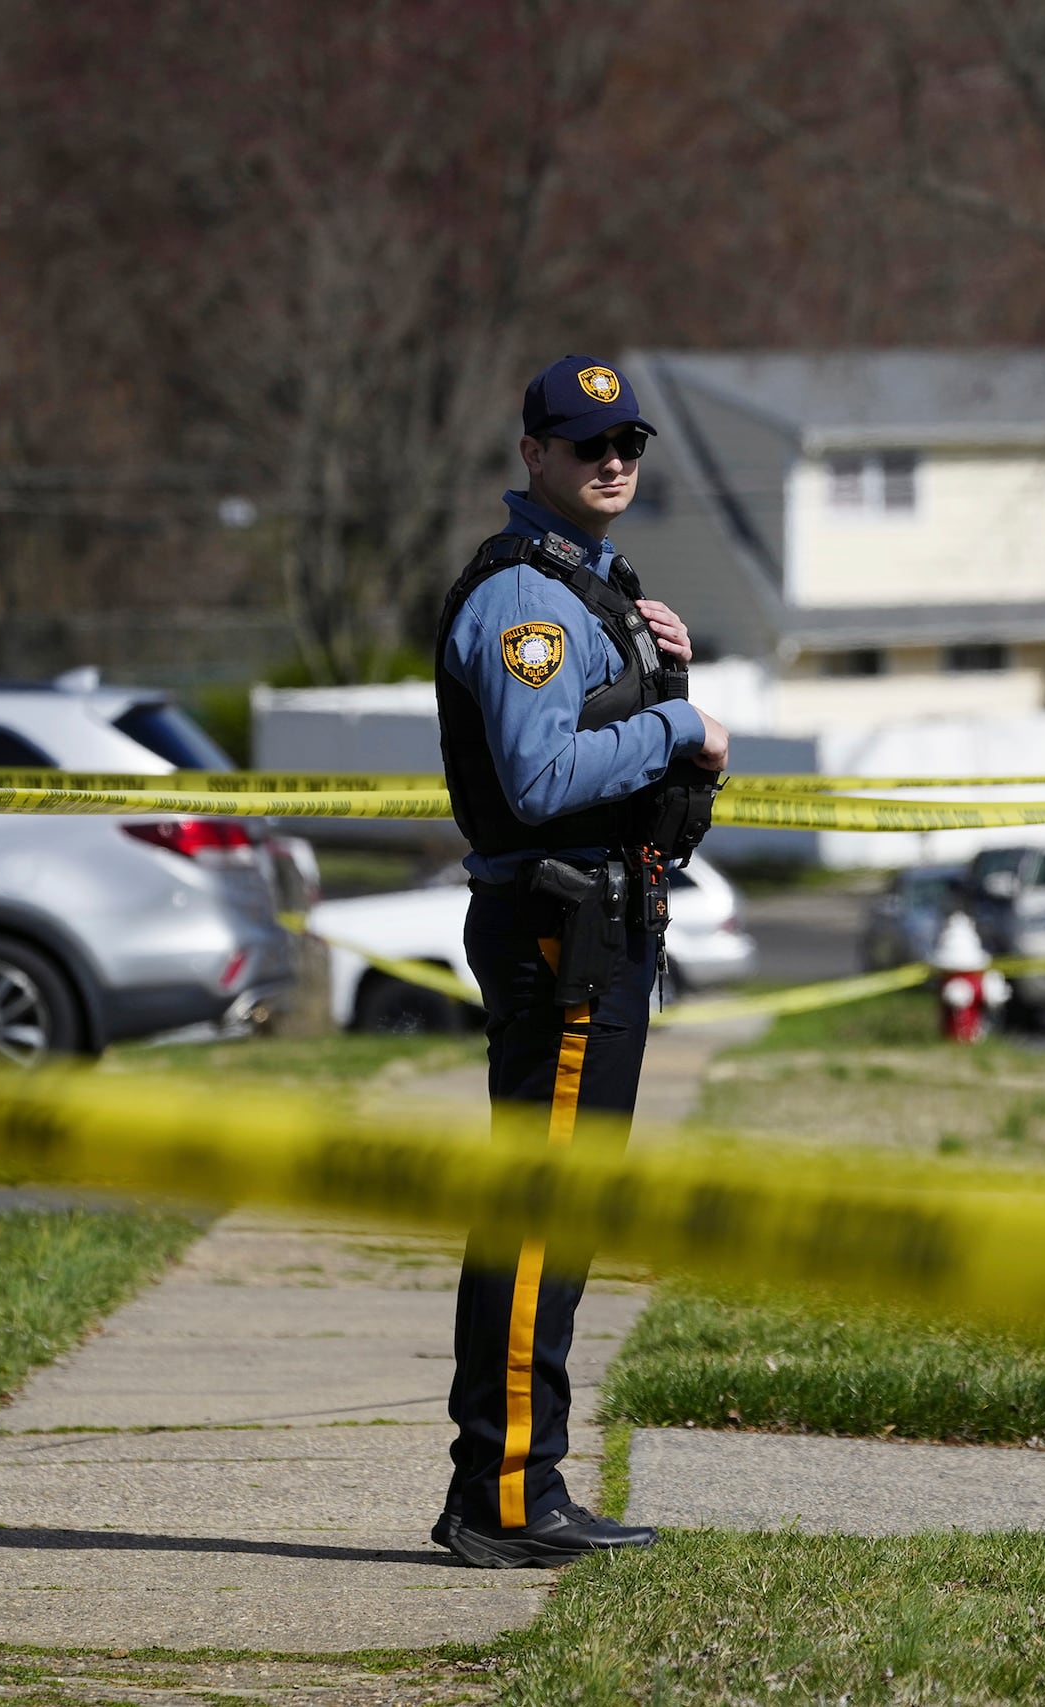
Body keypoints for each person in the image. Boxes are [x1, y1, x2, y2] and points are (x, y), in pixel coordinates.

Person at [428, 355, 728, 1569]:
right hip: (560, 932)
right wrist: (677, 722)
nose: (612, 461)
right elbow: (542, 778)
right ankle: (503, 1495)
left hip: (603, 924)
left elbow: (644, 769)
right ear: (532, 456)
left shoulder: (594, 590)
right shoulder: (525, 602)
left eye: (628, 443)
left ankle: (519, 1485)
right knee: (541, 1215)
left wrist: (673, 690)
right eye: (583, 442)